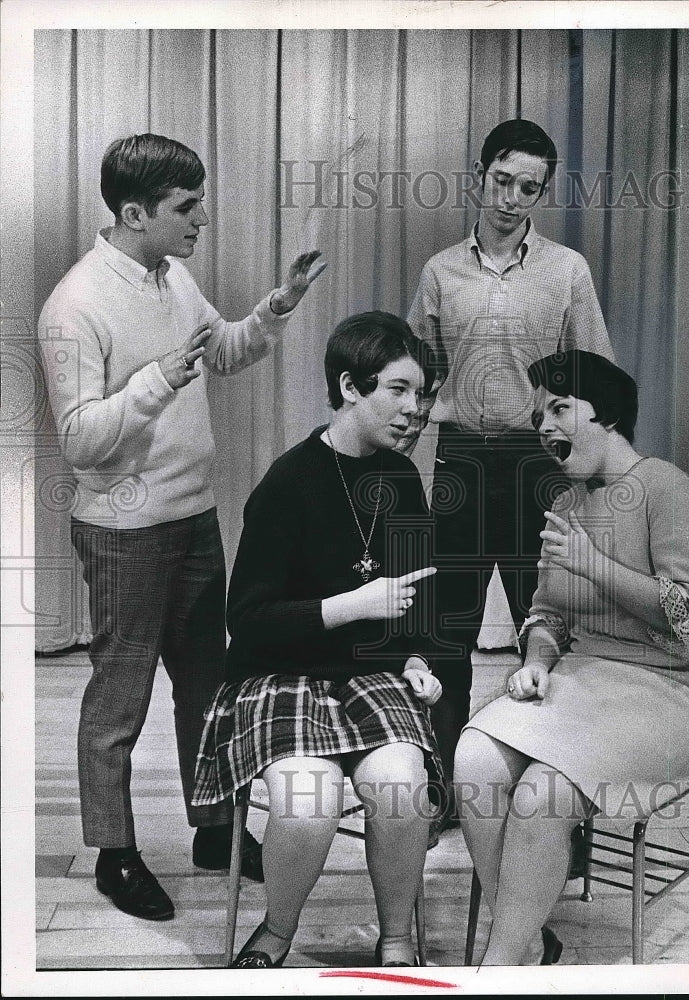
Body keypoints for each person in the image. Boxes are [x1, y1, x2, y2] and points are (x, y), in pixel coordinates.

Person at [37, 133, 326, 921]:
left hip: (194, 517)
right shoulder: (75, 304)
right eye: (186, 206)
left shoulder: (172, 274)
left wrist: (277, 306)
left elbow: (223, 352)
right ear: (135, 212)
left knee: (207, 686)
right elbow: (83, 440)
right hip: (124, 532)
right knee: (119, 700)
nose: (203, 217)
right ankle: (115, 854)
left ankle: (214, 827)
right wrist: (159, 378)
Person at [453, 349, 689, 965]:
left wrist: (594, 565)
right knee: (474, 760)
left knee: (544, 793)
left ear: (605, 416)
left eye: (559, 410)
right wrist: (536, 661)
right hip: (587, 683)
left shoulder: (671, 491)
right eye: (538, 418)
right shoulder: (568, 505)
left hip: (678, 692)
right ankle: (523, 943)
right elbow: (548, 617)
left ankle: (497, 968)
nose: (545, 428)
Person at [192, 312, 444, 968]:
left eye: (420, 394)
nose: (413, 410)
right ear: (349, 387)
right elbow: (247, 622)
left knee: (400, 784)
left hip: (368, 675)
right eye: (397, 390)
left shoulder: (404, 480)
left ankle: (395, 938)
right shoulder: (287, 482)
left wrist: (415, 656)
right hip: (277, 675)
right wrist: (348, 606)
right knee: (309, 801)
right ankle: (276, 930)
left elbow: (418, 604)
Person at [404, 118, 616, 834]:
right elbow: (415, 380)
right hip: (461, 460)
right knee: (445, 630)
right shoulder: (440, 272)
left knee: (549, 628)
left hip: (537, 468)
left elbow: (594, 382)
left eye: (529, 187)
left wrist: (596, 481)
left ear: (542, 192)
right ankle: (441, 787)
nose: (513, 197)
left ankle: (550, 801)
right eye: (502, 180)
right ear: (480, 174)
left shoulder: (566, 270)